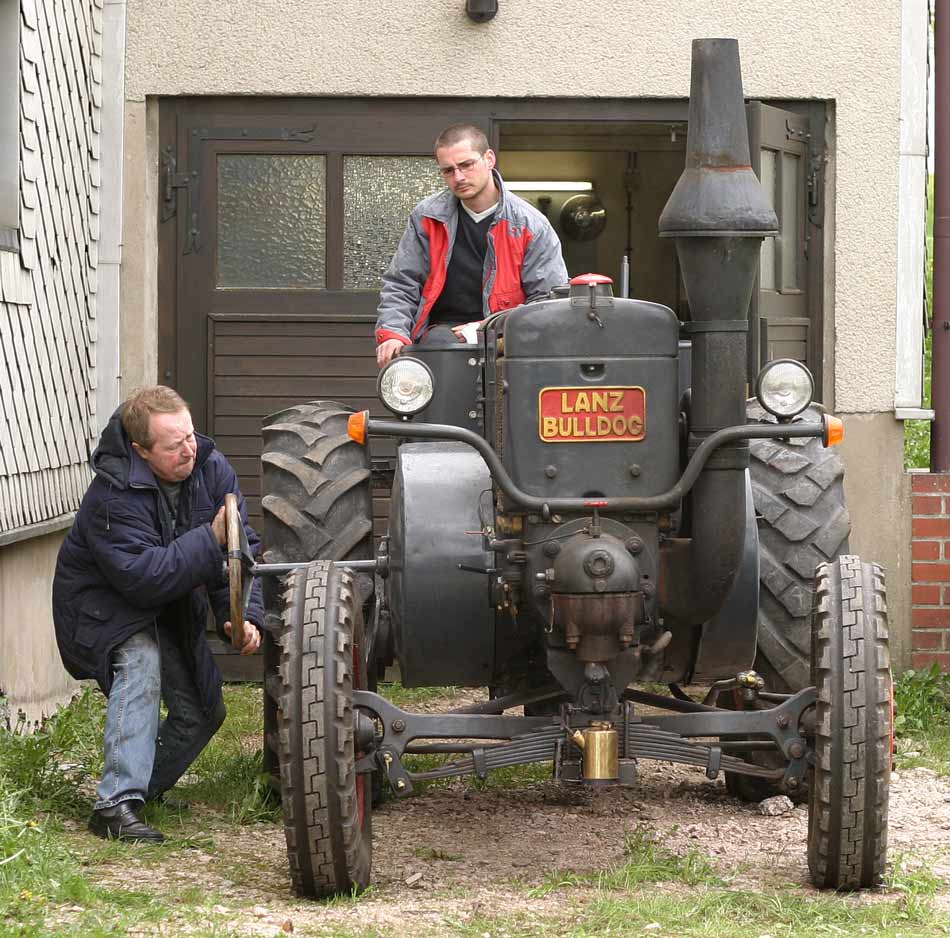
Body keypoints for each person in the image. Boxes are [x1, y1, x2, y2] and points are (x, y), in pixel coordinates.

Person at [52, 385, 263, 844]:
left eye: (190, 435)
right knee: (141, 663)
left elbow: (240, 548)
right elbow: (143, 577)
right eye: (174, 445)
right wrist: (209, 540)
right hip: (104, 607)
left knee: (203, 713)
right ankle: (114, 805)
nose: (191, 449)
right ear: (140, 451)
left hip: (165, 605)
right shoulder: (111, 495)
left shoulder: (210, 467)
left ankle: (141, 791)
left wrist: (242, 615)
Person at [375, 123, 568, 366]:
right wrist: (392, 333)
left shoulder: (531, 225)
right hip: (441, 337)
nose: (459, 177)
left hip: (508, 341)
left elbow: (548, 304)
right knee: (437, 347)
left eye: (466, 165)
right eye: (448, 171)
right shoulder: (427, 217)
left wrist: (484, 327)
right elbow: (402, 282)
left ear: (489, 159)